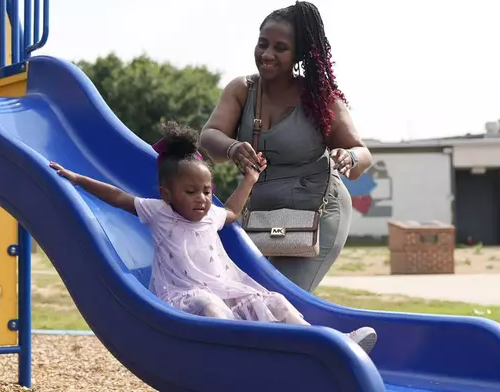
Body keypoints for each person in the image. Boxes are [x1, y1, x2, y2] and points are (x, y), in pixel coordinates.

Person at [49, 121, 377, 354]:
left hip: (226, 288)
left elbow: (232, 211)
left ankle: (332, 343)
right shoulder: (159, 212)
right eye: (191, 192)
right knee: (210, 304)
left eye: (207, 190)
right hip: (181, 295)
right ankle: (235, 354)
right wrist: (77, 178)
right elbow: (118, 197)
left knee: (274, 301)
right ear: (167, 194)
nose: (202, 199)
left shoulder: (211, 216)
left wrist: (249, 178)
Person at [199, 1, 373, 293]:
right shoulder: (242, 89)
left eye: (280, 48)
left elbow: (363, 153)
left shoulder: (321, 98)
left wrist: (350, 157)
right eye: (262, 44)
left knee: (283, 298)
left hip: (317, 211)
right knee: (229, 290)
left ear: (298, 55)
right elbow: (209, 137)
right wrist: (231, 147)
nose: (267, 54)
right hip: (258, 210)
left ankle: (342, 338)